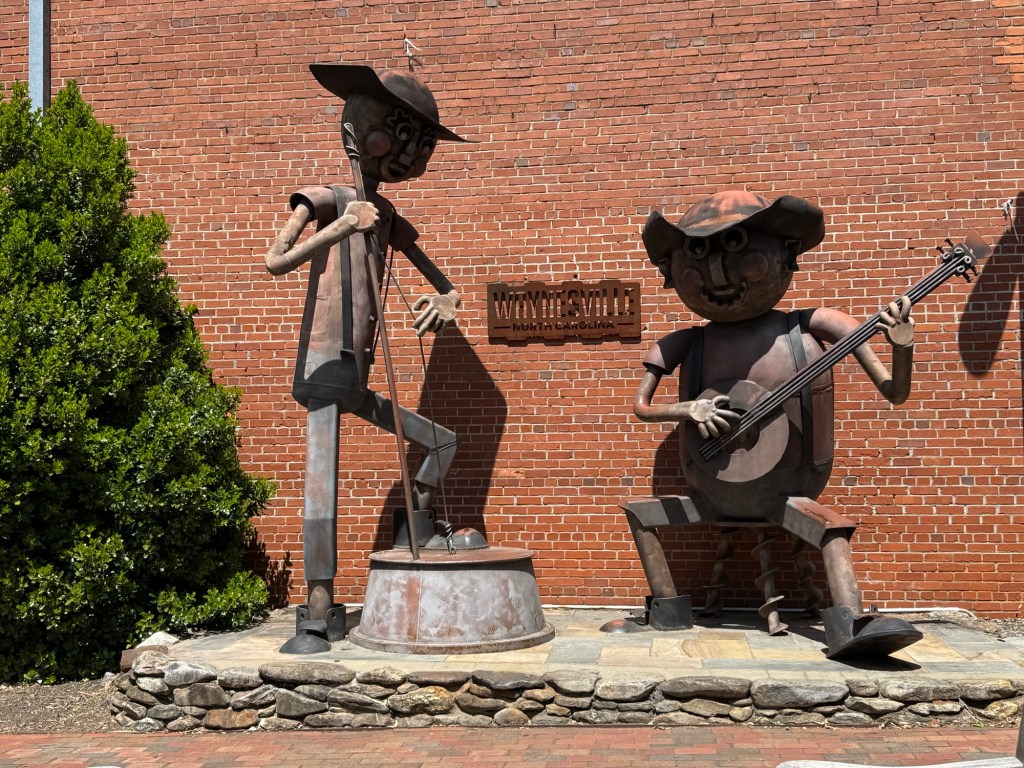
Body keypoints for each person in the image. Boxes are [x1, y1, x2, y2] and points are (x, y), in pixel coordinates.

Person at [623, 189, 922, 658]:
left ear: (787, 253)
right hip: (712, 489)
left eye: (738, 251)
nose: (717, 274)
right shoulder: (685, 342)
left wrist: (902, 347)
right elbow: (641, 407)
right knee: (642, 514)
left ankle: (850, 625)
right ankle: (667, 609)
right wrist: (688, 409)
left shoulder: (815, 326)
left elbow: (894, 392)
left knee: (830, 531)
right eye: (698, 256)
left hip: (788, 493)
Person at [263, 64, 465, 652]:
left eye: (419, 144)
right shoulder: (328, 199)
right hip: (325, 365)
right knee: (320, 493)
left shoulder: (390, 216)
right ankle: (318, 606)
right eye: (401, 134)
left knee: (442, 443)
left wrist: (445, 301)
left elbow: (444, 283)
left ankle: (415, 531)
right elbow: (276, 260)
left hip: (359, 373)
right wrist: (343, 225)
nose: (408, 153)